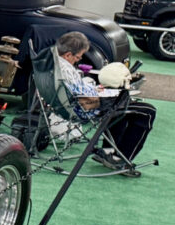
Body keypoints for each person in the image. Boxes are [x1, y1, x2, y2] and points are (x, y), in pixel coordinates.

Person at [55, 31, 156, 175]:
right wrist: (108, 91)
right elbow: (80, 93)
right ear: (68, 55)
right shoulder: (66, 68)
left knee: (120, 107)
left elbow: (76, 90)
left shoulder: (53, 63)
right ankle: (121, 159)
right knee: (148, 112)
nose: (79, 59)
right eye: (78, 56)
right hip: (86, 107)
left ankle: (109, 150)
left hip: (72, 105)